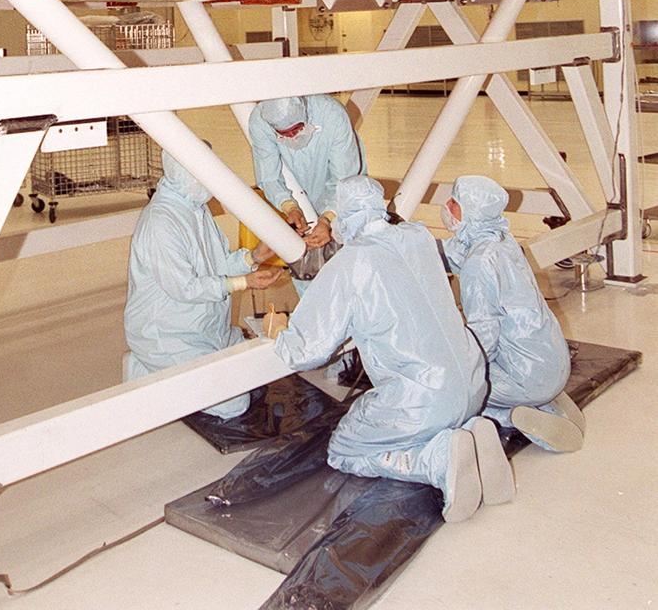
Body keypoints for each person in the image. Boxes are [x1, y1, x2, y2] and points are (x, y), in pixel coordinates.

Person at [272, 175, 514, 522]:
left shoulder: (350, 262)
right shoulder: (419, 236)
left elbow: (309, 350)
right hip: (474, 384)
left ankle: (438, 460)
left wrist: (281, 334)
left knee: (345, 449)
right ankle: (470, 437)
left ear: (343, 213)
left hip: (423, 400)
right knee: (421, 410)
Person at [123, 148, 281, 419]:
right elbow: (184, 288)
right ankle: (144, 366)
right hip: (167, 334)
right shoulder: (161, 223)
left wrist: (253, 257)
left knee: (258, 365)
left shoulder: (195, 208)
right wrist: (244, 282)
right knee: (234, 404)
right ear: (185, 175)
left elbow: (218, 264)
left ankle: (176, 366)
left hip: (206, 329)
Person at [442, 174, 585, 452]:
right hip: (552, 361)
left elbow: (484, 338)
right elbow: (456, 252)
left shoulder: (479, 264)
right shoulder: (503, 241)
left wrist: (455, 371)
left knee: (448, 387)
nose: (447, 206)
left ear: (471, 211)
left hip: (526, 375)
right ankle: (546, 401)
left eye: (454, 202)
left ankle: (513, 414)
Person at [248, 95, 364, 249]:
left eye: (296, 130)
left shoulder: (330, 113)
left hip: (342, 198)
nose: (292, 137)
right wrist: (289, 207)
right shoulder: (260, 121)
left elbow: (344, 178)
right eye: (283, 134)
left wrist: (327, 219)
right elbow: (268, 176)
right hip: (299, 192)